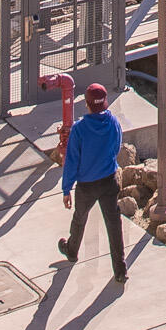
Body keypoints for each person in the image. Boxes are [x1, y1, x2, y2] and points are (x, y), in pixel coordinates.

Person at [45, 78, 127, 280]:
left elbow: (72, 160)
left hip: (87, 185)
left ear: (87, 104)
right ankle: (120, 270)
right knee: (114, 224)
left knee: (80, 218)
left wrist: (66, 189)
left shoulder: (80, 129)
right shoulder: (113, 122)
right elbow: (117, 146)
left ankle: (72, 250)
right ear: (105, 102)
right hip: (109, 180)